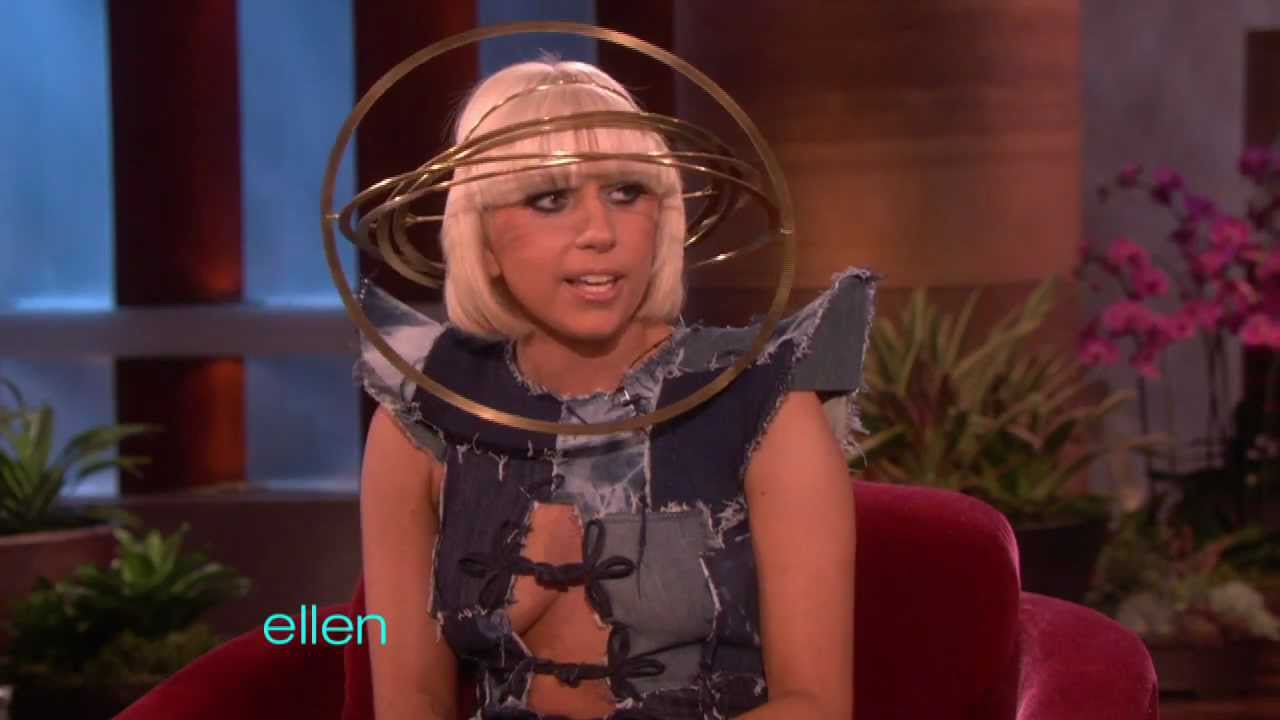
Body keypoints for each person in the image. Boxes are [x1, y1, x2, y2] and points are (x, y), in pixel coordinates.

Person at [355, 57, 872, 720]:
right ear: (482, 240)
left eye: (627, 193)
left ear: (663, 218)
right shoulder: (422, 418)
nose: (600, 233)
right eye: (551, 199)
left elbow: (816, 706)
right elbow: (409, 702)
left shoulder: (763, 401)